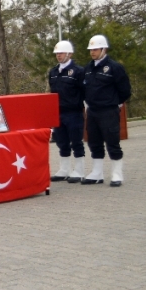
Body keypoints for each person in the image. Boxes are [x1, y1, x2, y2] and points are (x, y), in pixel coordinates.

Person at [82, 35, 131, 186]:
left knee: (112, 142)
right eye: (91, 50)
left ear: (104, 49)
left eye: (95, 49)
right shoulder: (88, 68)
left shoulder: (114, 67)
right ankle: (97, 173)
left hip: (108, 110)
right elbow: (85, 88)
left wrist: (115, 103)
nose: (92, 52)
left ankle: (117, 174)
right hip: (92, 111)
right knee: (94, 142)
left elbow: (125, 90)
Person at [47, 41, 86, 183]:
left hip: (73, 112)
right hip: (58, 112)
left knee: (76, 141)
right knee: (61, 141)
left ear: (69, 54)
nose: (59, 56)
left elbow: (84, 92)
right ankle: (64, 169)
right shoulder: (53, 72)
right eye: (57, 53)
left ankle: (80, 170)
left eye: (61, 53)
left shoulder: (78, 71)